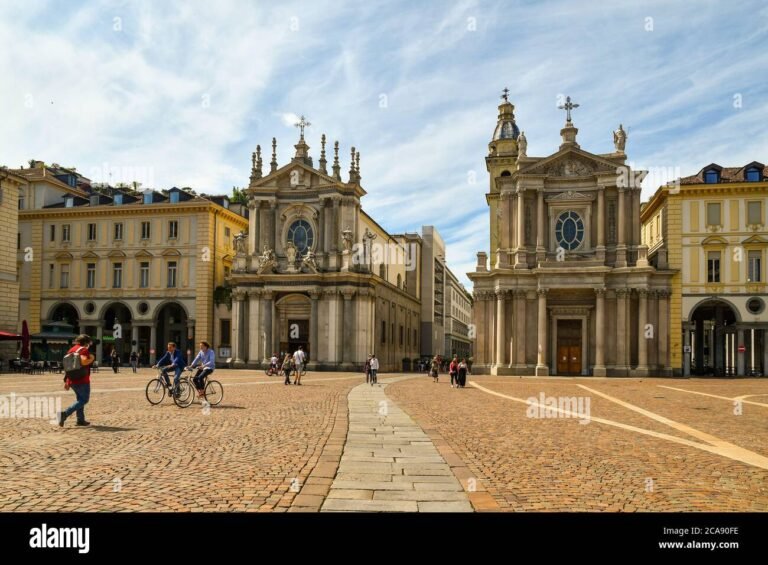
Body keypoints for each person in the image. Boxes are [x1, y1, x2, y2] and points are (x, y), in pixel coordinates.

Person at [58, 334, 95, 427]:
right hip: (82, 379)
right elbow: (83, 361)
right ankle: (64, 414)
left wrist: (67, 381)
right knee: (84, 399)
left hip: (72, 380)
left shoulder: (71, 350)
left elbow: (68, 367)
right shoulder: (83, 350)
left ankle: (80, 420)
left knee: (79, 399)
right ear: (86, 343)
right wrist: (92, 358)